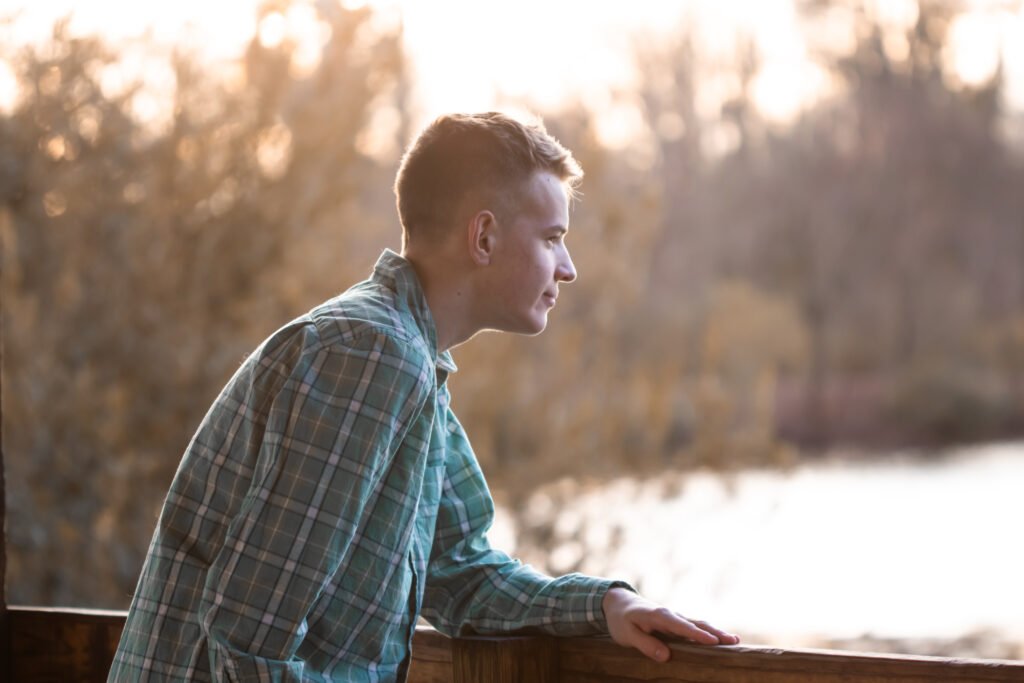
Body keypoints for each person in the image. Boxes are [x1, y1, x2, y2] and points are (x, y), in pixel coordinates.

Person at [108, 112, 739, 682]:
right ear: (484, 238)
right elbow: (251, 636)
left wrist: (607, 604)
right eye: (551, 238)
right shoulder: (370, 356)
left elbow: (459, 572)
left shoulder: (408, 358)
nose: (568, 267)